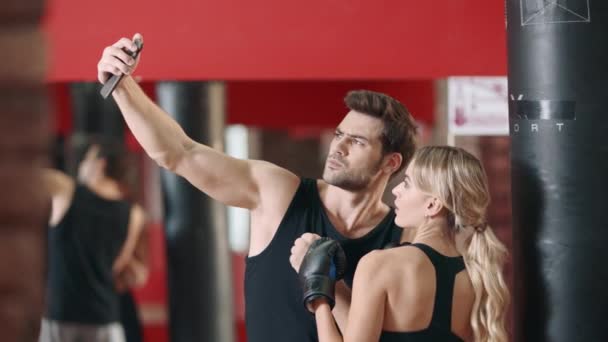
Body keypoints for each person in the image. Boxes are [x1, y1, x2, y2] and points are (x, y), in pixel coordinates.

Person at [96, 33, 418, 342]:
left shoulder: (403, 237)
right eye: (338, 135)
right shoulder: (278, 194)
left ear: (391, 163)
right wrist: (122, 86)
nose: (339, 148)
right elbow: (180, 153)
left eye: (357, 141)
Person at [291, 146, 510, 342]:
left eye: (407, 183)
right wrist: (333, 286)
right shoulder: (476, 276)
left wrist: (318, 295)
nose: (396, 190)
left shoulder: (380, 264)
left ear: (432, 205)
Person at [39, 141, 149, 342]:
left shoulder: (65, 190)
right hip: (104, 316)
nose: (81, 166)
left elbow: (23, 174)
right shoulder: (134, 214)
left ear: (100, 164)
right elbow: (118, 263)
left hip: (61, 314)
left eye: (86, 160)